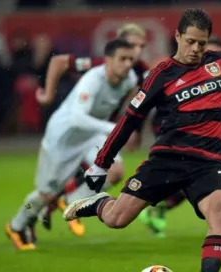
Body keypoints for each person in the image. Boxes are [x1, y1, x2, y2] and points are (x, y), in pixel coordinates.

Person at [63, 8, 221, 272]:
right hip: (166, 160)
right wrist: (101, 164)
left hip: (208, 164)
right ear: (178, 36)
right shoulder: (161, 75)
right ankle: (98, 203)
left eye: (201, 43)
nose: (195, 49)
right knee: (116, 219)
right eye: (190, 41)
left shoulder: (220, 63)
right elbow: (129, 121)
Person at [5, 39, 138, 251]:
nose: (128, 64)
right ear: (108, 60)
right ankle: (18, 223)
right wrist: (113, 129)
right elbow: (77, 118)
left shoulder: (129, 79)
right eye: (122, 58)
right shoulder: (93, 78)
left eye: (131, 59)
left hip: (91, 135)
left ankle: (72, 200)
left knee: (115, 171)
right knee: (45, 195)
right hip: (63, 139)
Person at [37, 23, 149, 236]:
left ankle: (68, 202)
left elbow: (138, 103)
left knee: (114, 172)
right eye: (132, 45)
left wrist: (135, 130)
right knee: (48, 190)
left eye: (141, 47)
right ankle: (31, 218)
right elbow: (59, 61)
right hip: (76, 130)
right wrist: (49, 95)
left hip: (100, 133)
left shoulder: (140, 72)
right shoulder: (100, 66)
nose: (136, 52)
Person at [138, 35, 221, 238]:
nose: (210, 58)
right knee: (191, 174)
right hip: (171, 129)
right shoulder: (175, 68)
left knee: (191, 177)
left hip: (209, 134)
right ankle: (153, 204)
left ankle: (159, 205)